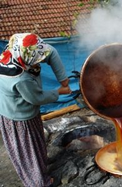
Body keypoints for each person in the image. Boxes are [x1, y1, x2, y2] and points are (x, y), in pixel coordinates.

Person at [0, 33, 72, 187]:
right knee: (27, 151)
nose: (39, 62)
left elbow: (51, 51)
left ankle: (41, 163)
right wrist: (59, 91)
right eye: (36, 62)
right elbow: (36, 99)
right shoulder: (20, 78)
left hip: (28, 111)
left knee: (36, 139)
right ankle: (39, 182)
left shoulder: (18, 48)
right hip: (17, 116)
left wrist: (63, 78)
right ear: (27, 59)